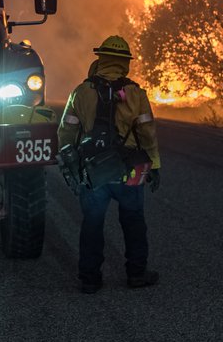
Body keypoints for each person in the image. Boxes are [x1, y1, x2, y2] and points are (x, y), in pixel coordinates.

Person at [58, 35, 162, 294]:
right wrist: (155, 165)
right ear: (125, 63)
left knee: (92, 223)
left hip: (94, 171)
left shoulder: (81, 92)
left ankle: (90, 278)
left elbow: (66, 132)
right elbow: (147, 133)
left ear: (100, 59)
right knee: (134, 220)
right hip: (129, 170)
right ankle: (137, 274)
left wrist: (70, 161)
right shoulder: (135, 93)